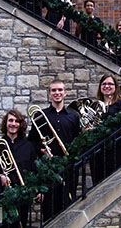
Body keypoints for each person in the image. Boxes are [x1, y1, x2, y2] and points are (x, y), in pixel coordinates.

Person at [27, 80, 80, 221]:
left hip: (68, 166)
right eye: (54, 90)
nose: (57, 93)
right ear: (49, 94)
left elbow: (78, 140)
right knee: (49, 205)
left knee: (68, 202)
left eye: (60, 90)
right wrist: (41, 149)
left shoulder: (73, 116)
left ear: (65, 93)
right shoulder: (40, 115)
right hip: (48, 167)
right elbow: (32, 141)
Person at [0, 110, 36, 227]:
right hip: (1, 192)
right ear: (5, 123)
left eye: (17, 121)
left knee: (21, 222)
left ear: (21, 125)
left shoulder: (28, 146)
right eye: (10, 120)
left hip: (22, 193)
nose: (13, 124)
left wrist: (36, 191)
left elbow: (33, 170)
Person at [91, 74, 121, 185]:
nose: (107, 86)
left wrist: (107, 130)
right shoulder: (95, 106)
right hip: (99, 152)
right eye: (104, 84)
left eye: (110, 84)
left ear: (116, 87)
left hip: (118, 148)